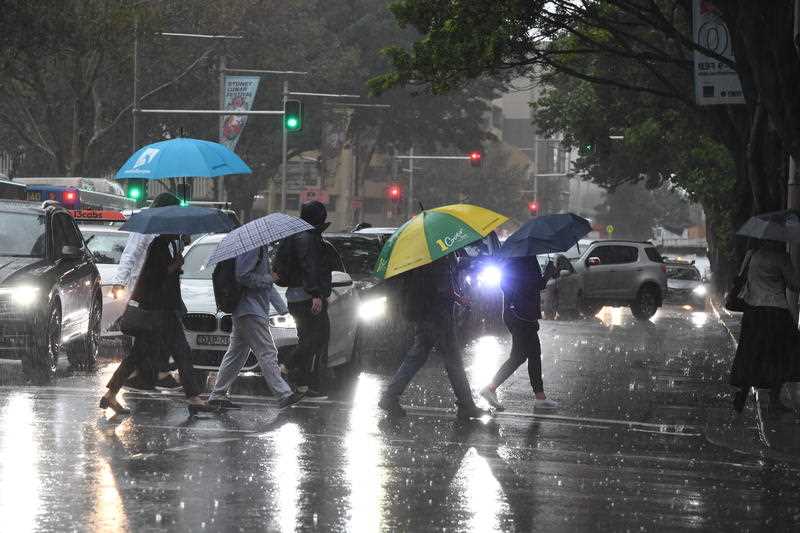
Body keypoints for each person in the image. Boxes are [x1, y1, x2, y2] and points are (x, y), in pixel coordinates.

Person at [100, 233, 207, 415]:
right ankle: (194, 398)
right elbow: (152, 277)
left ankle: (111, 394)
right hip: (160, 311)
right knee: (182, 352)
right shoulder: (159, 245)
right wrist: (174, 266)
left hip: (158, 310)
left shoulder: (168, 244)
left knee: (137, 355)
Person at [378, 254, 489, 420]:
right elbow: (442, 287)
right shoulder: (437, 255)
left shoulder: (426, 255)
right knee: (453, 360)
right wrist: (458, 295)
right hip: (437, 315)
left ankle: (390, 396)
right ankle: (466, 405)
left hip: (426, 312)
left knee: (418, 355)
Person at [207, 245, 303, 410]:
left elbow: (267, 286)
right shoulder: (253, 249)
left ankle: (217, 395)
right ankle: (284, 394)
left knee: (236, 355)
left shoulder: (261, 250)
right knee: (267, 351)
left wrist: (283, 309)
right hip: (250, 309)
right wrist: (269, 278)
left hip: (250, 310)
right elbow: (243, 276)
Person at [109, 192, 182, 391]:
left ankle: (150, 373)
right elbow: (130, 255)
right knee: (143, 331)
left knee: (152, 334)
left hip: (160, 289)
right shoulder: (147, 227)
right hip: (142, 286)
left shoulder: (170, 230)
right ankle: (145, 373)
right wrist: (120, 282)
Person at [480, 256, 558, 411]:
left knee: (532, 354)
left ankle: (540, 397)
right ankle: (490, 388)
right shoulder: (523, 259)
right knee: (520, 356)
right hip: (521, 314)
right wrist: (548, 273)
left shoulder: (518, 258)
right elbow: (532, 285)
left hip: (520, 313)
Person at [730, 240, 800, 413]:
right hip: (776, 313)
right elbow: (795, 284)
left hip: (753, 311)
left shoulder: (752, 255)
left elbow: (743, 279)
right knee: (780, 355)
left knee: (751, 352)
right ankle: (774, 400)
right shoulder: (781, 258)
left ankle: (743, 392)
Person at [275, 201, 333, 399]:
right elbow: (310, 267)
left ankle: (303, 385)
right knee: (318, 337)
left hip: (294, 296)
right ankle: (286, 367)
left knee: (306, 339)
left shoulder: (294, 235)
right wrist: (316, 294)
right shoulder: (307, 237)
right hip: (307, 296)